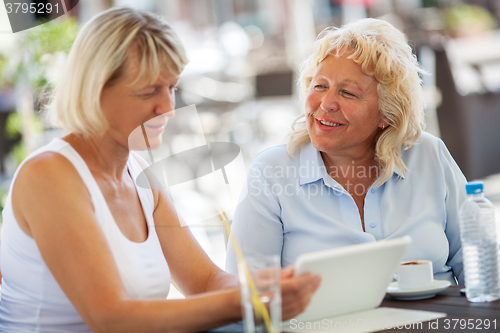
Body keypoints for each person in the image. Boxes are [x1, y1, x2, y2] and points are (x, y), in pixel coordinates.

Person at [0, 7, 321, 332]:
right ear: (94, 90)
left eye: (171, 88)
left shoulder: (136, 174)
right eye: (149, 91)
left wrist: (263, 292)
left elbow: (206, 281)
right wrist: (240, 303)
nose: (168, 108)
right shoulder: (49, 177)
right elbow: (111, 318)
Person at [226, 18, 466, 286]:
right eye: (319, 86)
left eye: (348, 93)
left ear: (386, 113)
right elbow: (247, 293)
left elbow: (478, 259)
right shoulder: (271, 172)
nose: (326, 103)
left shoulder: (428, 154)